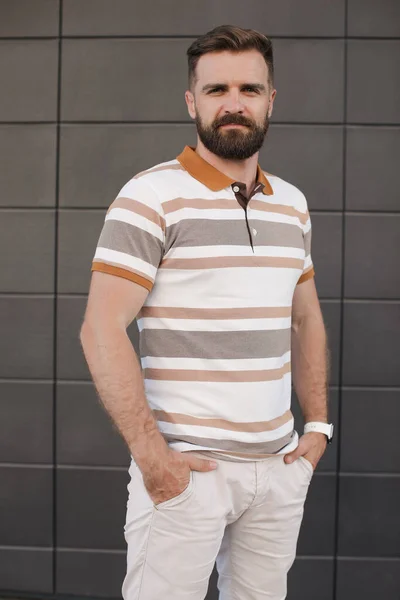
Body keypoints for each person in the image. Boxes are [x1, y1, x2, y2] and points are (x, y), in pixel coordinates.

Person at [80, 24, 333, 600]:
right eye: (217, 90)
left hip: (278, 470)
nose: (234, 104)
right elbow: (100, 328)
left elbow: (305, 319)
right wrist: (153, 460)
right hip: (187, 476)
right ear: (192, 101)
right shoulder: (150, 197)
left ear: (272, 99)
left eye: (250, 88)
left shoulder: (291, 204)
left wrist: (317, 427)